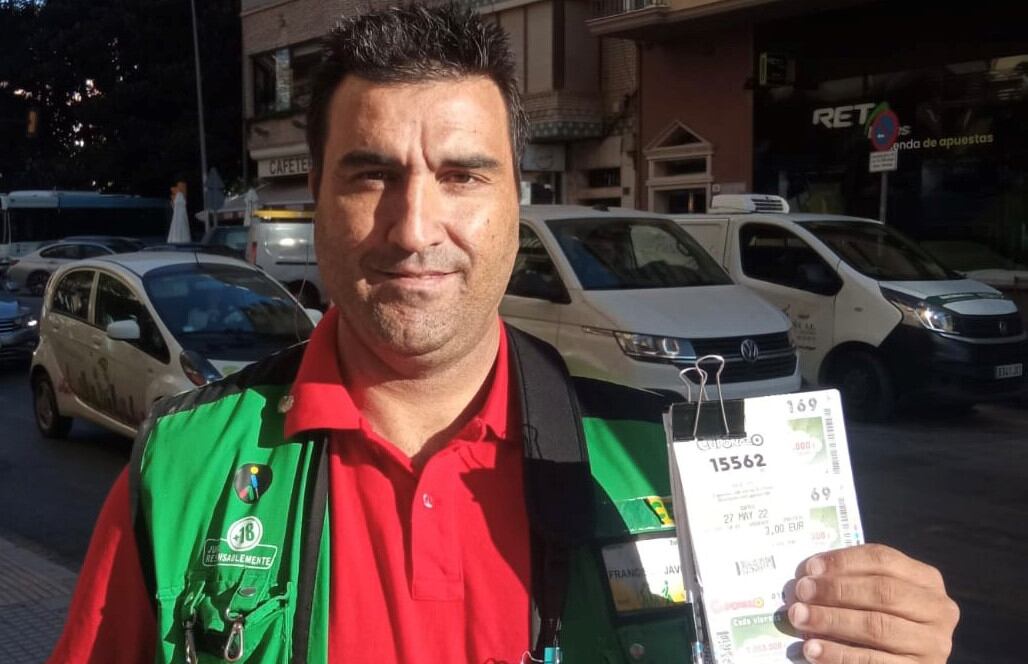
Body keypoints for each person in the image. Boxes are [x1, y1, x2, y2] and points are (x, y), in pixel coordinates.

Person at [47, 4, 959, 664]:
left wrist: (875, 640)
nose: (414, 227)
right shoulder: (182, 464)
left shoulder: (659, 461)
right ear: (312, 204)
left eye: (463, 174)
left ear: (517, 209)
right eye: (370, 176)